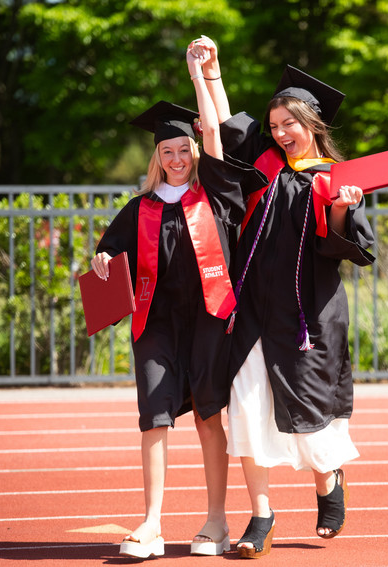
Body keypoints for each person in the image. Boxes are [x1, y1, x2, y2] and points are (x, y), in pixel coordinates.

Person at [188, 37, 375, 558]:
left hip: (306, 317)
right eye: (273, 126)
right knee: (246, 409)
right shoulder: (265, 164)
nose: (279, 133)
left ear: (311, 123)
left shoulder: (334, 179)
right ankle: (261, 516)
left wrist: (342, 207)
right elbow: (229, 127)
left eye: (288, 123)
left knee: (310, 416)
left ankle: (328, 481)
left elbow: (341, 247)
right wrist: (211, 71)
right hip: (252, 311)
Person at [89, 49, 266, 558]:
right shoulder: (138, 208)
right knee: (154, 417)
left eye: (183, 149)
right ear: (156, 158)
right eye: (166, 151)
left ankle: (216, 521)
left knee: (209, 417)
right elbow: (109, 254)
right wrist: (102, 260)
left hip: (210, 319)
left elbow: (215, 137)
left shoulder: (216, 194)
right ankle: (151, 524)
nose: (176, 159)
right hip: (155, 324)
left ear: (194, 150)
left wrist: (199, 75)